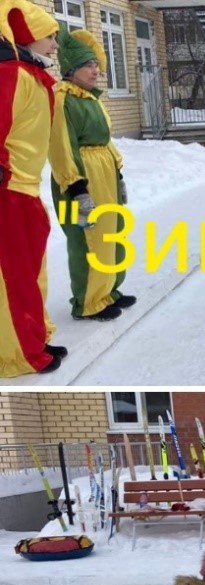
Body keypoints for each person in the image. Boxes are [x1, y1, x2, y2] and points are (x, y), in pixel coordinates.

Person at [49, 27, 136, 322]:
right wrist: (76, 189)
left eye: (96, 64)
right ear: (71, 69)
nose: (95, 69)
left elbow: (105, 141)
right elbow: (60, 146)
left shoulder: (90, 98)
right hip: (81, 178)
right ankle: (89, 301)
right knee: (89, 239)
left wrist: (118, 174)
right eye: (88, 65)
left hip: (105, 175)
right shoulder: (63, 100)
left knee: (112, 234)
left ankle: (109, 290)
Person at [0, 3, 67, 377]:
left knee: (32, 273)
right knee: (14, 277)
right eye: (50, 36)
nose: (55, 45)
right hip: (8, 190)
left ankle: (34, 339)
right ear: (27, 37)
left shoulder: (30, 75)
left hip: (25, 188)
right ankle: (17, 354)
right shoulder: (10, 74)